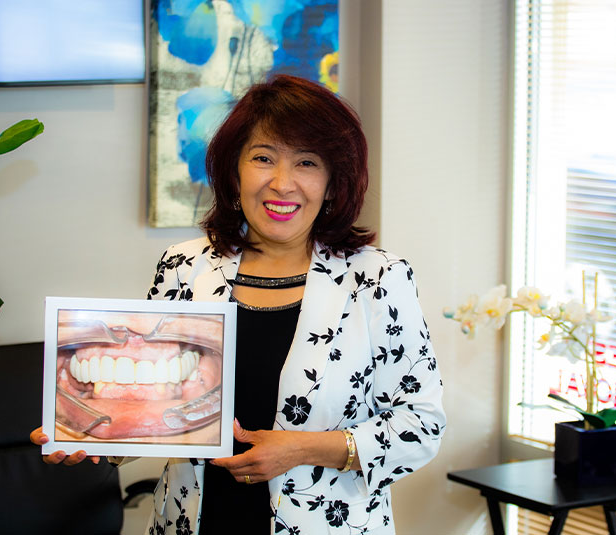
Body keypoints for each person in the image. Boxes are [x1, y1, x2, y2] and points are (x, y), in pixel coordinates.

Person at [33, 74, 445, 534]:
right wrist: (99, 441)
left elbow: (420, 424)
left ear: (332, 184)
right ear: (235, 171)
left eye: (306, 163)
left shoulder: (376, 279)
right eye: (263, 158)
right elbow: (159, 407)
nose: (282, 184)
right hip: (194, 521)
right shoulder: (184, 265)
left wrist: (300, 449)